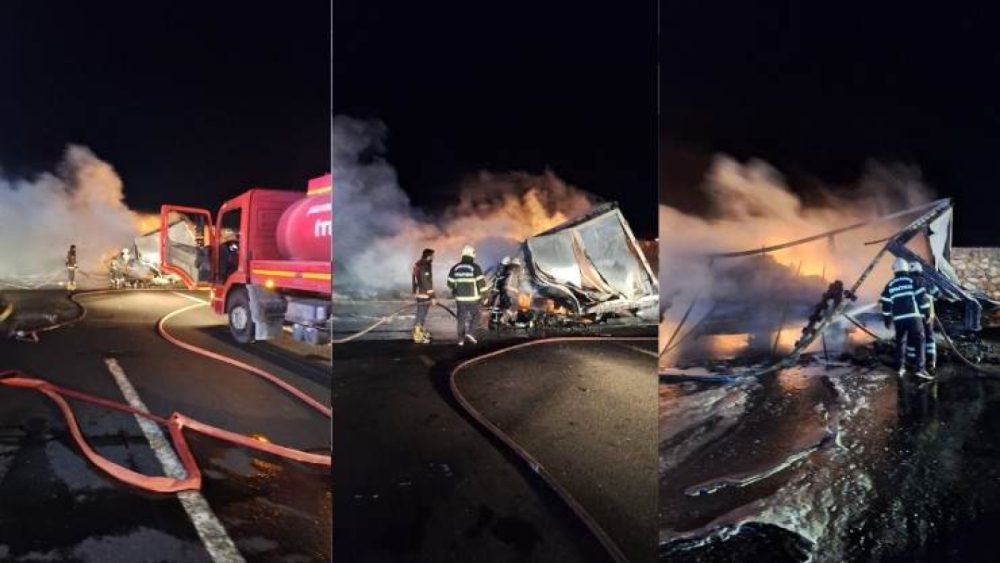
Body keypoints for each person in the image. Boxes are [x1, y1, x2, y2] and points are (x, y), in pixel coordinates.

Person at [880, 257, 932, 380]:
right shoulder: (911, 280)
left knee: (900, 342)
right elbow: (921, 297)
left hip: (899, 319)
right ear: (906, 268)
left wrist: (887, 320)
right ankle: (920, 369)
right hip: (913, 317)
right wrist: (927, 313)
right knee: (920, 340)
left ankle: (900, 368)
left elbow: (886, 304)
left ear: (894, 269)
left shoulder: (890, 284)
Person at [448, 245, 487, 346]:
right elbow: (481, 284)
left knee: (461, 319)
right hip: (473, 299)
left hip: (460, 299)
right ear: (472, 255)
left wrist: (455, 292)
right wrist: (485, 296)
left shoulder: (455, 268)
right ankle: (470, 333)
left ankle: (460, 340)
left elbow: (450, 283)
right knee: (477, 315)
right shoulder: (475, 267)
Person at [909, 260, 941, 373]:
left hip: (914, 316)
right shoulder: (928, 281)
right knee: (929, 338)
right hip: (928, 315)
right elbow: (938, 294)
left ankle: (912, 363)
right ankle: (931, 363)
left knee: (913, 338)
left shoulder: (907, 282)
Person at [411, 248, 436, 344]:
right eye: (433, 256)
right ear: (429, 256)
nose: (433, 258)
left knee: (421, 313)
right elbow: (426, 281)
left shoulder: (418, 263)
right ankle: (418, 336)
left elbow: (414, 278)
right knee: (421, 314)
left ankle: (420, 331)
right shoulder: (425, 265)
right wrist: (432, 296)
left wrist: (414, 290)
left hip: (419, 292)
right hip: (424, 293)